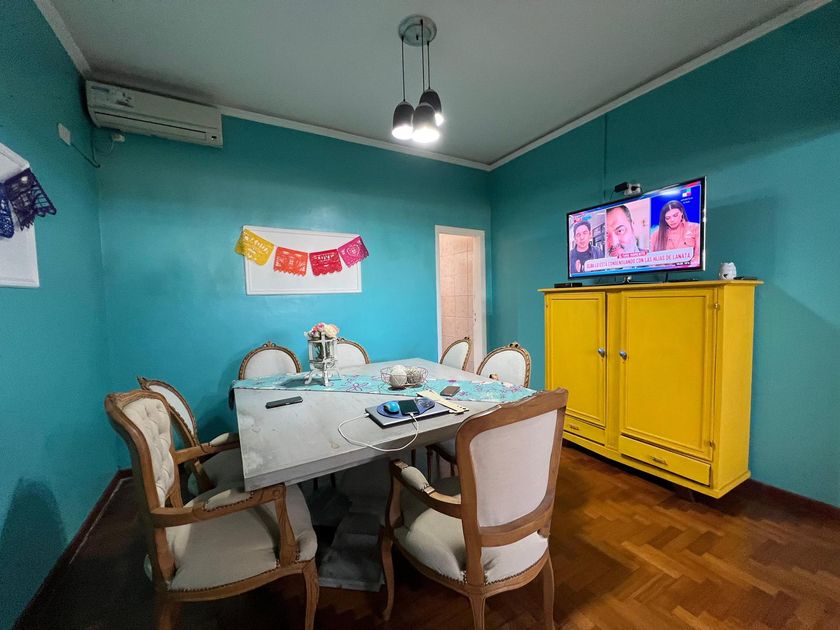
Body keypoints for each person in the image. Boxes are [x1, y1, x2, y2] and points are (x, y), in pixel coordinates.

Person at [651, 200, 701, 266]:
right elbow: (651, 261)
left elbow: (698, 257)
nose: (672, 220)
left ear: (681, 212)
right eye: (668, 218)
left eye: (675, 215)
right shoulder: (656, 235)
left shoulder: (695, 228)